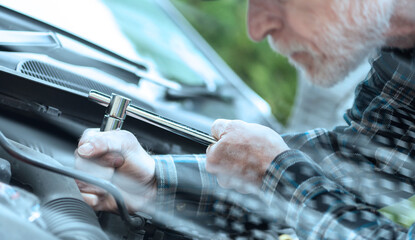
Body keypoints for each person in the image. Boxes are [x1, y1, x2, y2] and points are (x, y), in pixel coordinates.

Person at [75, 0, 415, 239]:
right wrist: (154, 183)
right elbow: (364, 163)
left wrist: (275, 173)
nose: (256, 28)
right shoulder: (404, 52)